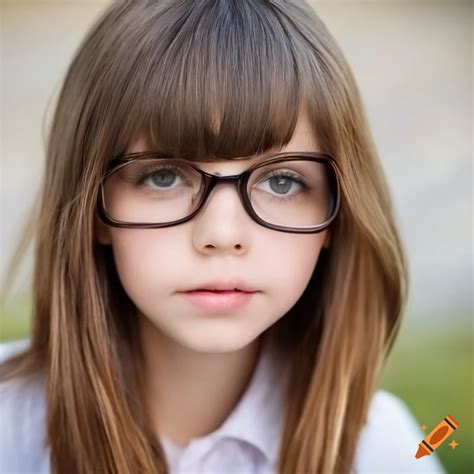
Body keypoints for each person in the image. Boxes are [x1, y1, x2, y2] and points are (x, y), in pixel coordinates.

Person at [0, 1, 446, 473]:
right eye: (165, 176)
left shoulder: (384, 452)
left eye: (281, 182)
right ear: (93, 205)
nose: (222, 234)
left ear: (336, 216)